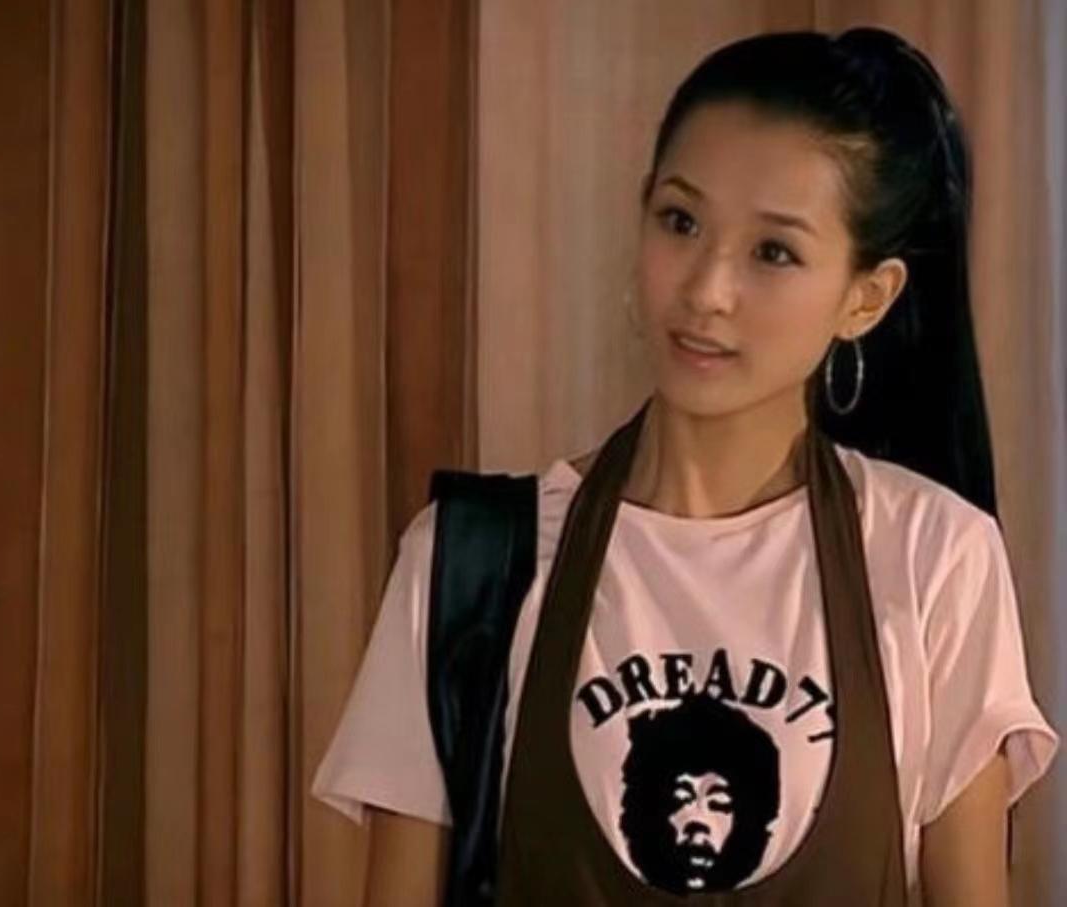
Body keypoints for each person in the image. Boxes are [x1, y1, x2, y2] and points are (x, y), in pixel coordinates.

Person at [311, 26, 1060, 906]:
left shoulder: (935, 556)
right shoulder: (470, 561)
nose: (705, 289)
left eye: (773, 251)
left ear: (866, 298)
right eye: (681, 221)